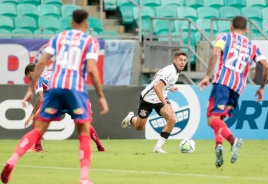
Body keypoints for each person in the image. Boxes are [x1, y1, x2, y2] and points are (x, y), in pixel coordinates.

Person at [1, 9, 109, 184]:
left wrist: (30, 89)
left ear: (72, 23)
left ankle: (13, 158)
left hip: (55, 88)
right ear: (86, 24)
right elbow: (91, 69)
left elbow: (41, 62)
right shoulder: (90, 41)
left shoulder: (59, 38)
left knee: (38, 129)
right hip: (75, 88)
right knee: (83, 130)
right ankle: (84, 178)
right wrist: (101, 96)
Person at [198, 16, 268, 168]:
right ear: (246, 30)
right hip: (237, 89)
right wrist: (262, 87)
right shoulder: (253, 46)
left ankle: (233, 141)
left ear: (231, 27)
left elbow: (215, 53)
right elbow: (267, 66)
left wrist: (207, 76)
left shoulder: (224, 37)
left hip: (222, 83)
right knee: (220, 120)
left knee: (211, 119)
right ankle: (218, 146)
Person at [24, 63, 106, 152]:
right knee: (83, 123)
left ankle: (38, 147)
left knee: (37, 118)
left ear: (31, 73)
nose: (29, 79)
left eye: (28, 77)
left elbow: (40, 97)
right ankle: (100, 146)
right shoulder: (50, 73)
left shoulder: (38, 79)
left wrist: (33, 115)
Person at [121, 50, 187, 153]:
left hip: (160, 99)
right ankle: (131, 119)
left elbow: (159, 83)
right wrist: (166, 104)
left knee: (172, 119)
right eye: (180, 60)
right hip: (147, 99)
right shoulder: (170, 71)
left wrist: (169, 87)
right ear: (174, 60)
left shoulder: (175, 71)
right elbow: (157, 87)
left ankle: (158, 147)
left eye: (184, 60)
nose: (183, 62)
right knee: (139, 127)